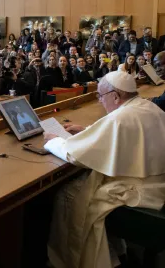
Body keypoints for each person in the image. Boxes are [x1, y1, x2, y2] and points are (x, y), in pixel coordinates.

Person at [43, 71, 165, 268]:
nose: (100, 101)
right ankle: (115, 252)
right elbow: (125, 138)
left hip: (138, 191)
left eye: (101, 96)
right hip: (157, 184)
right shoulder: (148, 107)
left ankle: (76, 262)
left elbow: (73, 155)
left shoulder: (120, 117)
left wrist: (54, 140)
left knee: (70, 195)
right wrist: (88, 132)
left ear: (116, 96)